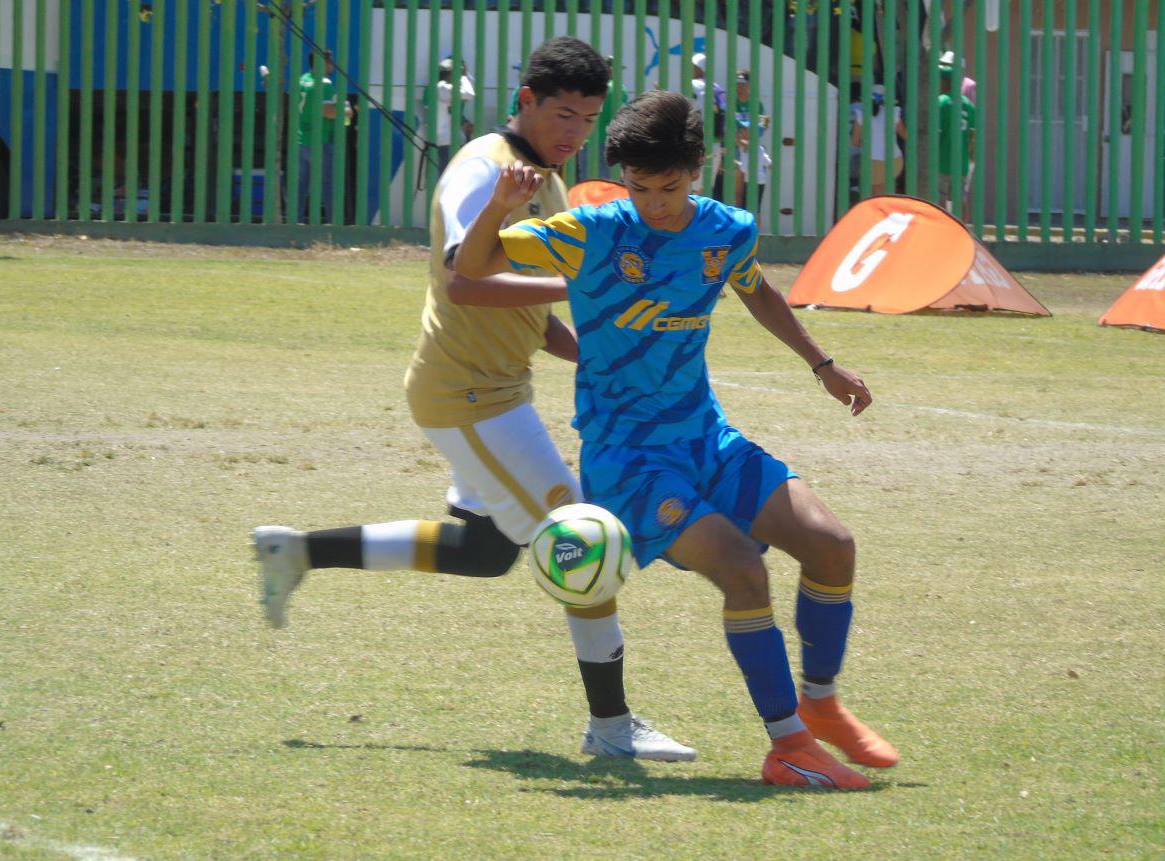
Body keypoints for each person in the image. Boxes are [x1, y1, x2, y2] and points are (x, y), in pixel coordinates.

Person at [254, 38, 694, 763]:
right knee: (580, 533)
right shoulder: (484, 169)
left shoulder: (545, 178)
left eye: (587, 119)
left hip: (489, 389)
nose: (573, 132)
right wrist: (585, 284)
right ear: (524, 99)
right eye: (560, 114)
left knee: (488, 550)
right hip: (471, 395)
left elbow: (523, 311)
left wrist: (599, 352)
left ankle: (297, 550)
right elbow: (465, 276)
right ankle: (612, 727)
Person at [454, 90, 899, 790]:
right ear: (621, 177)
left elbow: (754, 287)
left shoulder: (728, 229)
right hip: (628, 460)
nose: (655, 204)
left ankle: (820, 702)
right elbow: (469, 271)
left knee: (832, 545)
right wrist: (498, 205)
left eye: (670, 187)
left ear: (700, 169)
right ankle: (787, 747)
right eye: (639, 187)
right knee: (743, 569)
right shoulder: (588, 231)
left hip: (705, 438)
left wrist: (821, 362)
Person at [297, 51, 353, 224]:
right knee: (328, 184)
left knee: (301, 185)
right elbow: (328, 112)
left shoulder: (303, 79)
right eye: (330, 62)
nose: (333, 66)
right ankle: (332, 221)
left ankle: (295, 220)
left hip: (301, 140)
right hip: (320, 141)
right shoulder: (325, 84)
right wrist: (346, 111)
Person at [852, 83, 907, 198]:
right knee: (888, 191)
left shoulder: (861, 115)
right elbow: (905, 136)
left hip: (872, 160)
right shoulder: (894, 112)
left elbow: (855, 142)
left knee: (875, 195)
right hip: (895, 159)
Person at [937, 62, 976, 222]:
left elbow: (936, 135)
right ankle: (965, 233)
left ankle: (942, 233)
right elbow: (972, 136)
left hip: (942, 160)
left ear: (945, 81)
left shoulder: (941, 102)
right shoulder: (969, 105)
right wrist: (970, 159)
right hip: (961, 162)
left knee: (940, 200)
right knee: (960, 200)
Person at [689, 52, 727, 201]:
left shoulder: (694, 85)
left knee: (692, 191)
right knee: (706, 192)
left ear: (698, 68)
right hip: (715, 145)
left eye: (692, 66)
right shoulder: (717, 89)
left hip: (696, 144)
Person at [432, 56, 476, 173]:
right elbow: (469, 93)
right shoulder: (442, 88)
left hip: (451, 141)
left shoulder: (442, 89)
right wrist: (463, 76)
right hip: (448, 142)